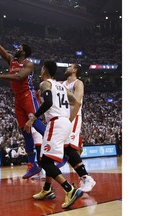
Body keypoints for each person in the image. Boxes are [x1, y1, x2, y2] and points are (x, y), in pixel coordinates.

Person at [0, 19, 46, 179]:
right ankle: (33, 165)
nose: (16, 49)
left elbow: (18, 77)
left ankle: (62, 149)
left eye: (19, 48)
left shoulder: (28, 64)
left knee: (37, 125)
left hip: (28, 95)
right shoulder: (11, 60)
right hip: (17, 99)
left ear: (24, 52)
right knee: (25, 132)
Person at [24, 61, 83, 209]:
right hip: (66, 123)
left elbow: (48, 102)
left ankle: (70, 189)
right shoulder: (62, 86)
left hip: (56, 123)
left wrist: (33, 118)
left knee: (44, 161)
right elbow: (77, 102)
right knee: (48, 159)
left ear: (44, 70)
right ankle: (47, 188)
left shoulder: (45, 84)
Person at [56, 63, 96, 193]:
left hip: (73, 117)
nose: (67, 68)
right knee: (69, 149)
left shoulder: (78, 83)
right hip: (63, 118)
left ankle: (86, 178)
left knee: (69, 148)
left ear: (75, 70)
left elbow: (77, 102)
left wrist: (69, 120)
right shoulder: (61, 84)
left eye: (70, 67)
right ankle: (83, 176)